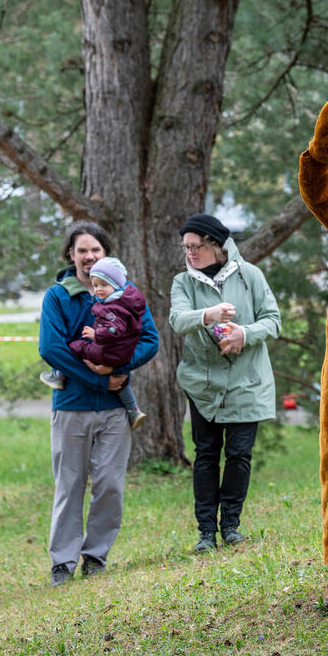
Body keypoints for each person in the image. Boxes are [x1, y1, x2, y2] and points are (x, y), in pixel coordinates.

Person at [39, 221, 159, 587]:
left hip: (113, 413)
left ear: (105, 254)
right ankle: (62, 562)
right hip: (71, 407)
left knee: (109, 484)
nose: (89, 257)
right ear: (70, 255)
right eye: (82, 251)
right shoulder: (58, 297)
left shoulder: (125, 293)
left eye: (96, 250)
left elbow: (149, 340)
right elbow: (52, 348)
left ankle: (95, 556)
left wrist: (120, 366)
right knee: (69, 485)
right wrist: (99, 379)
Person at [169, 213, 281, 553]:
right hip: (203, 384)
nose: (190, 253)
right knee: (205, 455)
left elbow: (273, 321)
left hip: (248, 381)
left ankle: (231, 526)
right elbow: (177, 319)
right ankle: (206, 532)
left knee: (238, 455)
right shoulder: (182, 282)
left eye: (196, 246)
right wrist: (210, 314)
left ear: (217, 246)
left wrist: (244, 334)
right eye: (186, 247)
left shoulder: (251, 276)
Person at [40, 257, 148, 430]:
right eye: (96, 285)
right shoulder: (129, 299)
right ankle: (133, 409)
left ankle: (58, 375)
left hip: (107, 354)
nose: (98, 289)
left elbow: (123, 332)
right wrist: (116, 370)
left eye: (103, 285)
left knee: (77, 346)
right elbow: (50, 349)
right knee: (123, 382)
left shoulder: (114, 305)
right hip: (118, 357)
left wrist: (96, 334)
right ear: (71, 253)